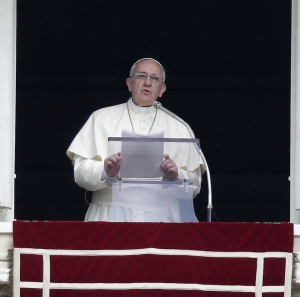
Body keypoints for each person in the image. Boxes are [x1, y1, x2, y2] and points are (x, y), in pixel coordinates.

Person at [66, 58, 203, 222]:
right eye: (141, 76)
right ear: (130, 83)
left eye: (154, 78)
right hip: (109, 216)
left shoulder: (181, 127)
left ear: (162, 89)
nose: (147, 82)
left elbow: (196, 185)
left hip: (161, 220)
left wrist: (176, 174)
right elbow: (80, 171)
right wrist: (105, 170)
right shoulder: (101, 118)